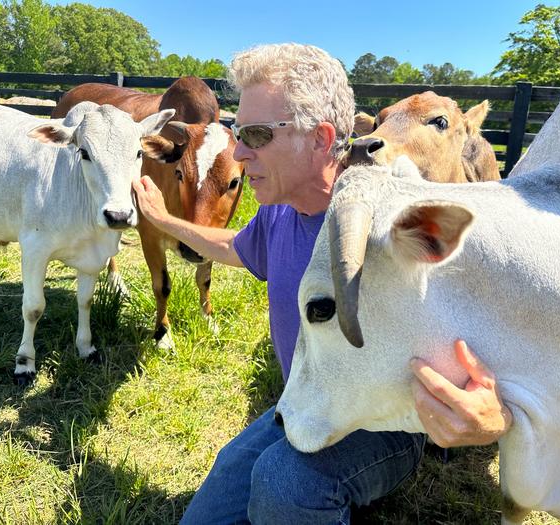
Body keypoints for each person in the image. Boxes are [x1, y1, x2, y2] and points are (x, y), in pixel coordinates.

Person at [132, 43, 512, 525]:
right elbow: (235, 247)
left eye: (255, 134)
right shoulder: (278, 211)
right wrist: (166, 220)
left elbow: (486, 311)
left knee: (284, 485)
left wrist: (496, 410)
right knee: (214, 501)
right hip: (306, 402)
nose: (240, 153)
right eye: (237, 132)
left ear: (320, 138)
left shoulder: (393, 222)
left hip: (385, 424)